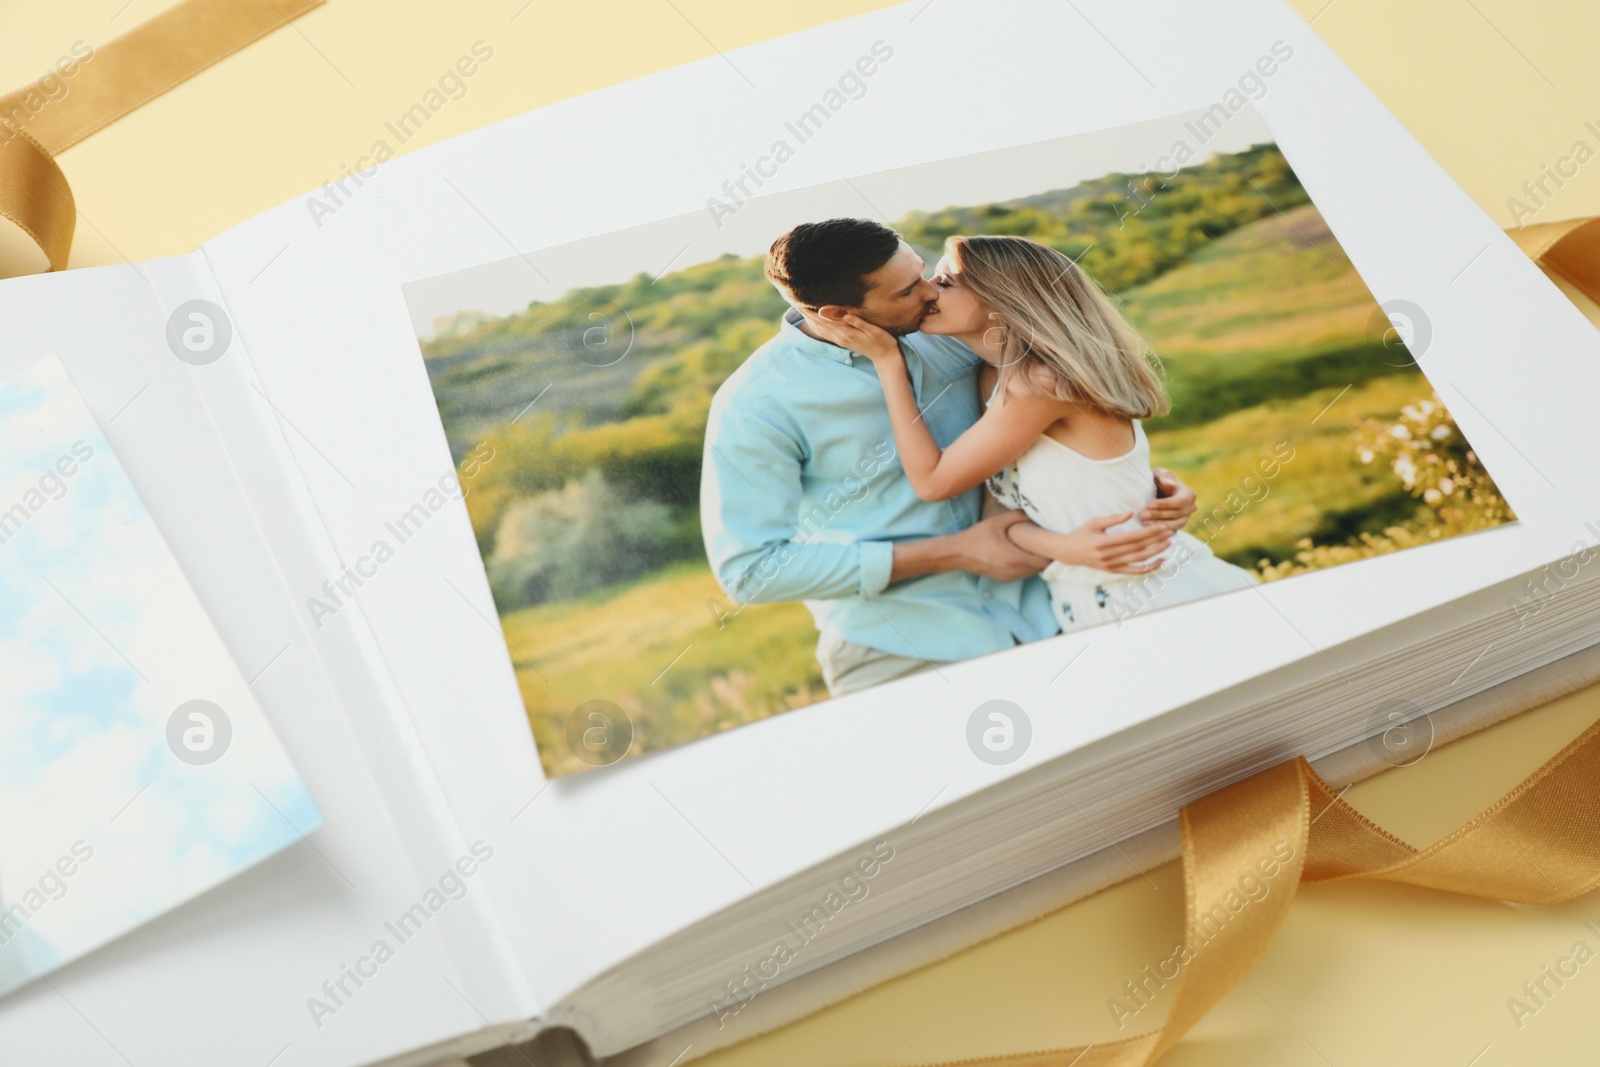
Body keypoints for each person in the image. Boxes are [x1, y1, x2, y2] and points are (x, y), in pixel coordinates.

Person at [700, 218, 1199, 697]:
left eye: (921, 272)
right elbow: (749, 571)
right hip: (903, 651)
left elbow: (1059, 420)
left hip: (1049, 612)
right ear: (836, 314)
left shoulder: (957, 336)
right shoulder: (755, 405)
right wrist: (956, 551)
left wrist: (1137, 485)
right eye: (905, 292)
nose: (929, 292)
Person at [801, 233, 1257, 634]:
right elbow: (1000, 517)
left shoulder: (1038, 384)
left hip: (1155, 595)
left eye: (947, 280)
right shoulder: (993, 381)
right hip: (1086, 603)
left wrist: (887, 363)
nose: (929, 291)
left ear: (1001, 300)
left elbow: (933, 482)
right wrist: (1062, 546)